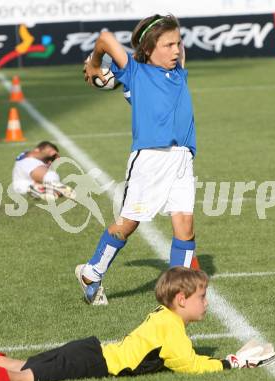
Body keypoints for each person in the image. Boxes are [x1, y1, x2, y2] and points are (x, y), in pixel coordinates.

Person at [77, 14, 200, 305]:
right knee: (128, 224)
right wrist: (95, 63)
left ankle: (178, 293)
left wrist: (168, 25)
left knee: (186, 225)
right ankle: (91, 272)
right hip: (150, 160)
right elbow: (106, 38)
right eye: (168, 45)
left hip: (182, 158)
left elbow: (174, 31)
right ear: (148, 49)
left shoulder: (179, 72)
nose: (175, 50)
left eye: (177, 43)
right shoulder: (135, 72)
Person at [0, 267, 275, 381]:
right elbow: (189, 365)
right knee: (24, 377)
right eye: (202, 297)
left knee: (22, 363)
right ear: (182, 300)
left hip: (90, 349)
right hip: (93, 361)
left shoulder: (164, 315)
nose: (207, 303)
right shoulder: (172, 329)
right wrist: (230, 363)